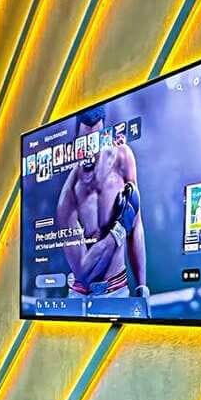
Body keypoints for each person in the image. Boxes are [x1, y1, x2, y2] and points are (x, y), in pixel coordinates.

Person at [55, 107, 150, 318]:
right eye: (84, 143)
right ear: (75, 144)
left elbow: (136, 223)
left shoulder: (123, 158)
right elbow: (84, 272)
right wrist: (118, 231)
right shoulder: (68, 196)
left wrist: (142, 288)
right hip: (80, 300)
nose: (90, 151)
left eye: (95, 141)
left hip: (118, 291)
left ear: (104, 137)